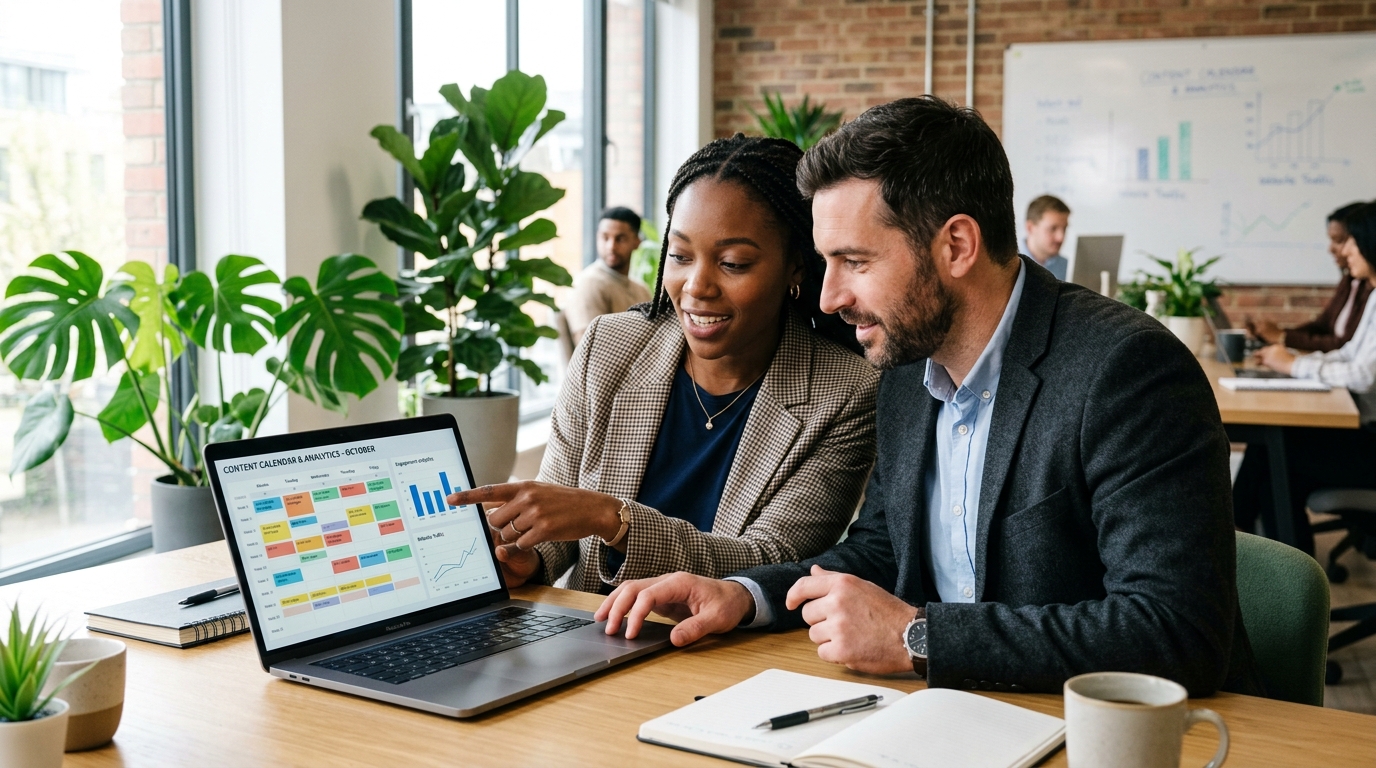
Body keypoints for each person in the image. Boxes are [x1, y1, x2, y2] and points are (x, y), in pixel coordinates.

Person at [596, 97, 1259, 698]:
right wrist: (743, 596)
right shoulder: (909, 372)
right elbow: (881, 553)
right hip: (955, 719)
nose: (829, 298)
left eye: (855, 262)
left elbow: (1177, 632)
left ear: (957, 246)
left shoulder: (1126, 371)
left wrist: (919, 638)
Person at [447, 135, 880, 595]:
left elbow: (770, 559)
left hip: (723, 653)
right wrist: (526, 558)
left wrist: (613, 519)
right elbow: (559, 520)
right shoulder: (608, 348)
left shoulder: (847, 392)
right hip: (591, 638)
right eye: (679, 255)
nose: (697, 287)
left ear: (796, 266)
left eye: (733, 263)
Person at [1238, 201, 1376, 555]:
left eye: (1351, 242)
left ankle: (1290, 586)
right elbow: (1347, 355)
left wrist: (1293, 366)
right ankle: (1236, 540)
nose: (1342, 252)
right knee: (1269, 450)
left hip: (1370, 441)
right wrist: (1290, 360)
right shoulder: (1374, 295)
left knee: (1276, 459)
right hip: (1363, 431)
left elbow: (1363, 376)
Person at [1249, 202, 1372, 352]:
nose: (1332, 249)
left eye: (1340, 241)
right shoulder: (1350, 281)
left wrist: (1283, 338)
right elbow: (1322, 326)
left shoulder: (1371, 288)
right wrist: (1270, 335)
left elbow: (1345, 346)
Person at [563, 207, 653, 345]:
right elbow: (590, 350)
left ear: (637, 242)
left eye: (620, 239)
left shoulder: (642, 290)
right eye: (605, 238)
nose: (611, 246)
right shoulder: (588, 283)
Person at [1021, 194, 1070, 280]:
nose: (1060, 238)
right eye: (1052, 229)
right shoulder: (1007, 264)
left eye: (1064, 228)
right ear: (1030, 228)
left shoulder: (1066, 266)